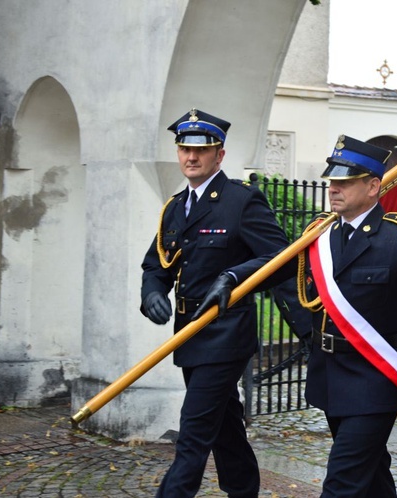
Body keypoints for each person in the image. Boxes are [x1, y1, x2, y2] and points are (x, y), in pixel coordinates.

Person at [140, 108, 310, 498]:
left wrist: (234, 276)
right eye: (184, 149)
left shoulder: (241, 200)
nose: (191, 158)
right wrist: (151, 292)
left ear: (220, 154)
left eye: (202, 151)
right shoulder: (176, 207)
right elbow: (157, 263)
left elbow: (282, 258)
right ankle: (244, 489)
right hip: (188, 335)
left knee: (194, 433)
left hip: (226, 333)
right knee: (225, 426)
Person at [295, 135, 397, 497]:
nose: (334, 188)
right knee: (371, 474)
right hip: (330, 374)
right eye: (332, 180)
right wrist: (233, 276)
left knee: (343, 481)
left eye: (345, 181)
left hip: (375, 378)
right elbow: (277, 268)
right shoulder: (322, 234)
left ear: (374, 186)